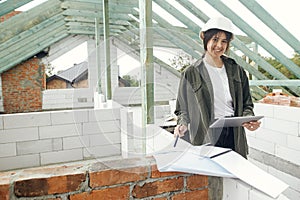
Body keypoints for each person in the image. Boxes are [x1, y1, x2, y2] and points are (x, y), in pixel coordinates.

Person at [174, 17, 261, 158]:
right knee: (210, 178)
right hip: (206, 135)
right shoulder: (191, 73)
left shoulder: (237, 71)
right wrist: (182, 124)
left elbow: (247, 105)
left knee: (234, 175)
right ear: (205, 39)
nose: (219, 45)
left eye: (224, 41)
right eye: (215, 39)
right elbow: (182, 109)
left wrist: (249, 119)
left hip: (234, 134)